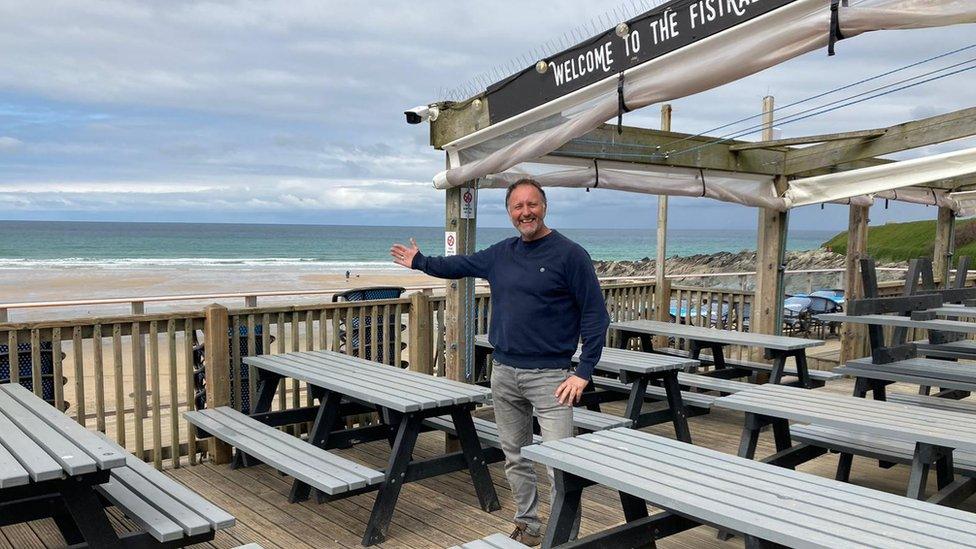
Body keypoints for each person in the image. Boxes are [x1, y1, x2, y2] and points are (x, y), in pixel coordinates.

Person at [390, 179, 609, 545]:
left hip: (552, 377)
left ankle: (563, 539)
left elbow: (595, 317)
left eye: (532, 204)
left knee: (560, 465)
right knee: (515, 457)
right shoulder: (501, 253)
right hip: (504, 372)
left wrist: (584, 372)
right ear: (510, 213)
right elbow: (459, 264)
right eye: (517, 207)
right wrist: (420, 262)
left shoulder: (571, 255)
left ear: (545, 206)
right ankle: (529, 525)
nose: (525, 212)